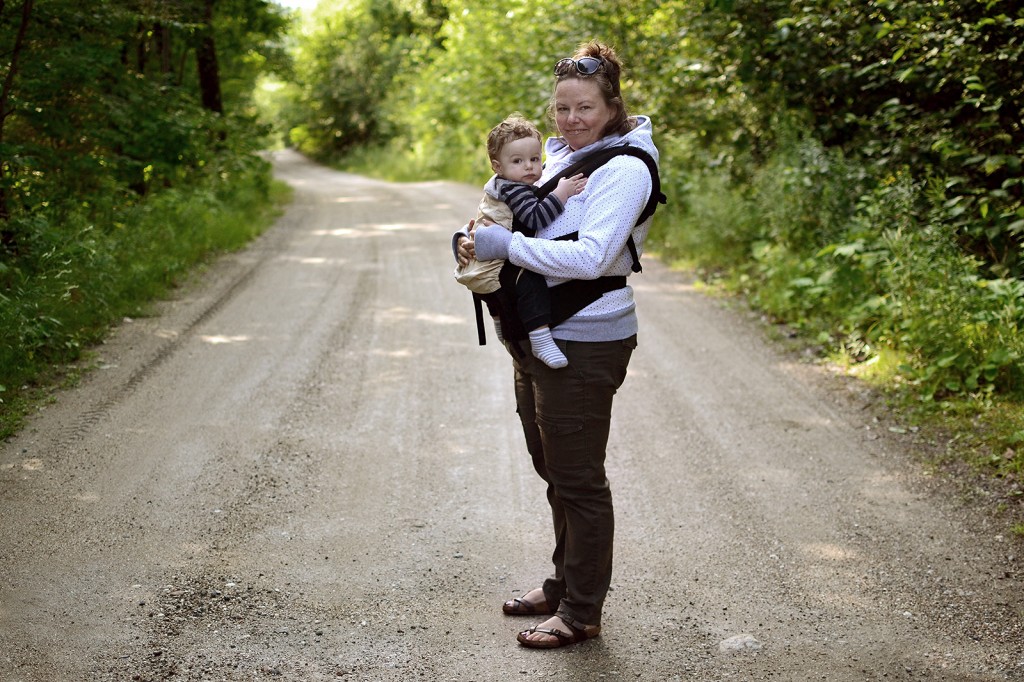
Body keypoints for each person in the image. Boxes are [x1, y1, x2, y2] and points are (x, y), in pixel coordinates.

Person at [454, 40, 659, 649]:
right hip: (533, 332)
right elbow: (523, 213)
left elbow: (593, 256)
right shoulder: (562, 154)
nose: (570, 121)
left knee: (578, 478)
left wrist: (505, 249)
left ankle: (581, 611)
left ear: (613, 104)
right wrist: (477, 238)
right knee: (554, 470)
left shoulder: (622, 167)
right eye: (562, 108)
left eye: (585, 108)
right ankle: (563, 581)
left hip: (585, 337)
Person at [455, 113, 587, 368]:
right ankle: (540, 337)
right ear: (497, 166)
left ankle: (500, 320)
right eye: (518, 161)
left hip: (487, 261)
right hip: (496, 257)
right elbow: (536, 217)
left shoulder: (502, 184)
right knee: (532, 280)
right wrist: (562, 192)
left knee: (499, 288)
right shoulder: (514, 189)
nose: (529, 166)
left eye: (535, 159)